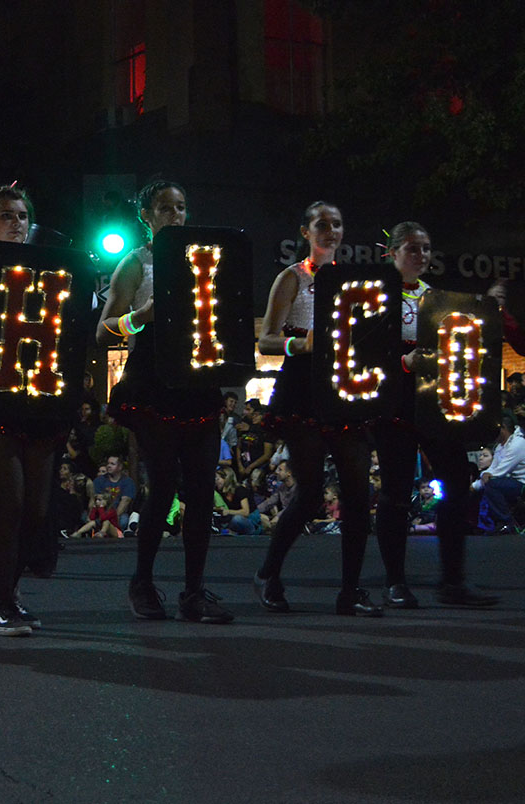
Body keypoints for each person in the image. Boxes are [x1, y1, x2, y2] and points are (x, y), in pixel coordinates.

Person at [96, 180, 233, 623]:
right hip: (154, 381)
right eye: (165, 208)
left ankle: (193, 590)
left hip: (198, 380)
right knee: (163, 487)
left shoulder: (205, 262)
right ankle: (142, 581)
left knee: (200, 490)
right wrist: (141, 316)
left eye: (181, 207)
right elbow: (103, 331)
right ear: (147, 216)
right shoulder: (135, 263)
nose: (175, 215)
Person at [252, 202, 380, 616]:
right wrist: (303, 344)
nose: (331, 231)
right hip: (303, 392)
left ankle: (351, 589)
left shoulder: (356, 281)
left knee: (359, 492)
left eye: (337, 224)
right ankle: (268, 573)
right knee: (308, 494)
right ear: (305, 232)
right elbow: (267, 339)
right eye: (322, 225)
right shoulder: (292, 278)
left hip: (345, 390)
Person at [0, 183, 70, 636]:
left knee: (37, 510)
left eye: (22, 216)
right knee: (11, 500)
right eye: (7, 215)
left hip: (38, 396)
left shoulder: (44, 265)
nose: (17, 224)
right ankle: (2, 602)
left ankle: (14, 593)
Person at [370, 221, 499, 607]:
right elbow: (363, 350)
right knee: (396, 490)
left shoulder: (439, 298)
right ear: (391, 253)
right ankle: (395, 581)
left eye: (426, 248)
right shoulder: (375, 295)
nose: (421, 256)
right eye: (412, 248)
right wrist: (402, 362)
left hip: (434, 401)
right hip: (393, 400)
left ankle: (453, 580)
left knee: (457, 479)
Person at [474, 411, 525, 534]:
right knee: (484, 486)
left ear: (503, 428)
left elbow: (500, 471)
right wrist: (475, 484)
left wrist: (484, 479)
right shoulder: (499, 447)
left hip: (522, 484)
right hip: (509, 481)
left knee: (492, 485)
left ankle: (507, 522)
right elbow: (492, 469)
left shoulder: (518, 443)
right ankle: (482, 525)